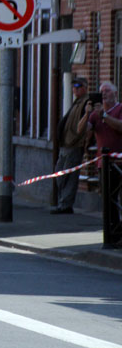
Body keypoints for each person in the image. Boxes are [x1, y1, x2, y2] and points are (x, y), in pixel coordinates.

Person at [78, 81, 122, 242]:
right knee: (108, 198)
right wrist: (86, 113)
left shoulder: (119, 109)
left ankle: (116, 232)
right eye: (101, 92)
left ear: (115, 93)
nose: (104, 94)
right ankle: (113, 233)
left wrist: (105, 115)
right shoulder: (95, 114)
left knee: (115, 198)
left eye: (107, 91)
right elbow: (82, 131)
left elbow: (120, 127)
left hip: (119, 163)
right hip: (104, 164)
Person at [51, 77, 89, 214]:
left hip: (74, 145)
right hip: (65, 144)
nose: (74, 89)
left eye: (78, 86)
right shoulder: (76, 102)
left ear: (85, 87)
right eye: (73, 86)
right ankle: (63, 202)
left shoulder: (86, 102)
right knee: (59, 174)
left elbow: (85, 125)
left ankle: (66, 205)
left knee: (69, 176)